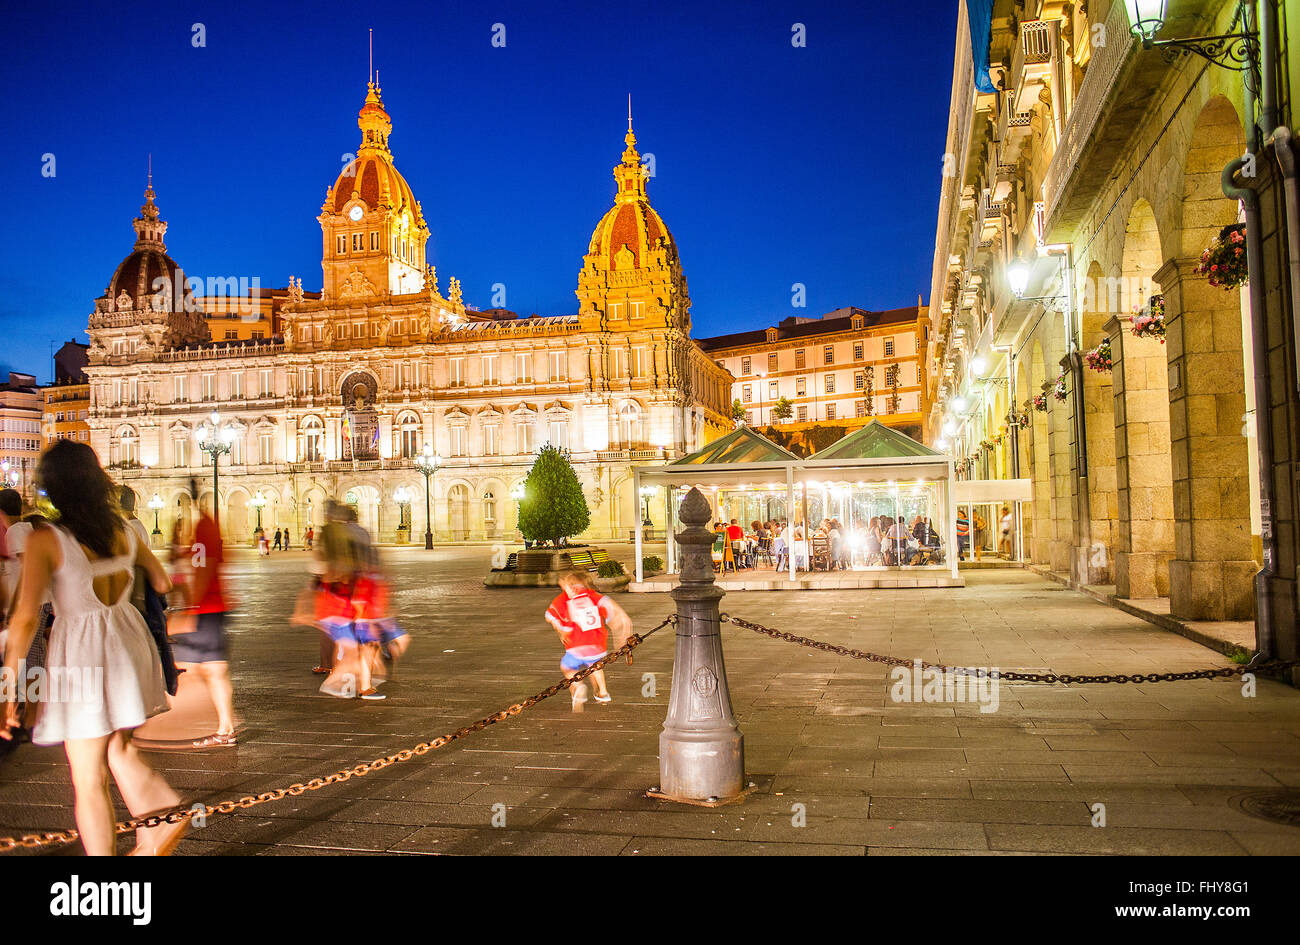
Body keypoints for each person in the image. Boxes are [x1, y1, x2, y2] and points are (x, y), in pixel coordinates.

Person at [1, 441, 185, 856]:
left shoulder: (47, 539)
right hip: (128, 641)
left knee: (87, 778)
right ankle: (159, 821)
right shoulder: (123, 529)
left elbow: (25, 619)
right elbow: (162, 583)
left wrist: (7, 687)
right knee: (118, 748)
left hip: (82, 652)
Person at [174, 497, 237, 747]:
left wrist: (191, 608)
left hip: (206, 610)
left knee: (200, 669)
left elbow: (205, 567)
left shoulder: (203, 529)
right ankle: (225, 726)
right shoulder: (204, 530)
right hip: (211, 608)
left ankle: (221, 726)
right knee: (209, 669)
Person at [544, 571, 631, 711]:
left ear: (569, 585)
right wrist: (620, 630)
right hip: (597, 644)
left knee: (567, 667)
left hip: (576, 645)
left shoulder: (564, 599)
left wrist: (560, 630)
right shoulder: (593, 596)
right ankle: (602, 692)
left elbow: (550, 616)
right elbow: (612, 609)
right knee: (595, 667)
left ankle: (578, 687)